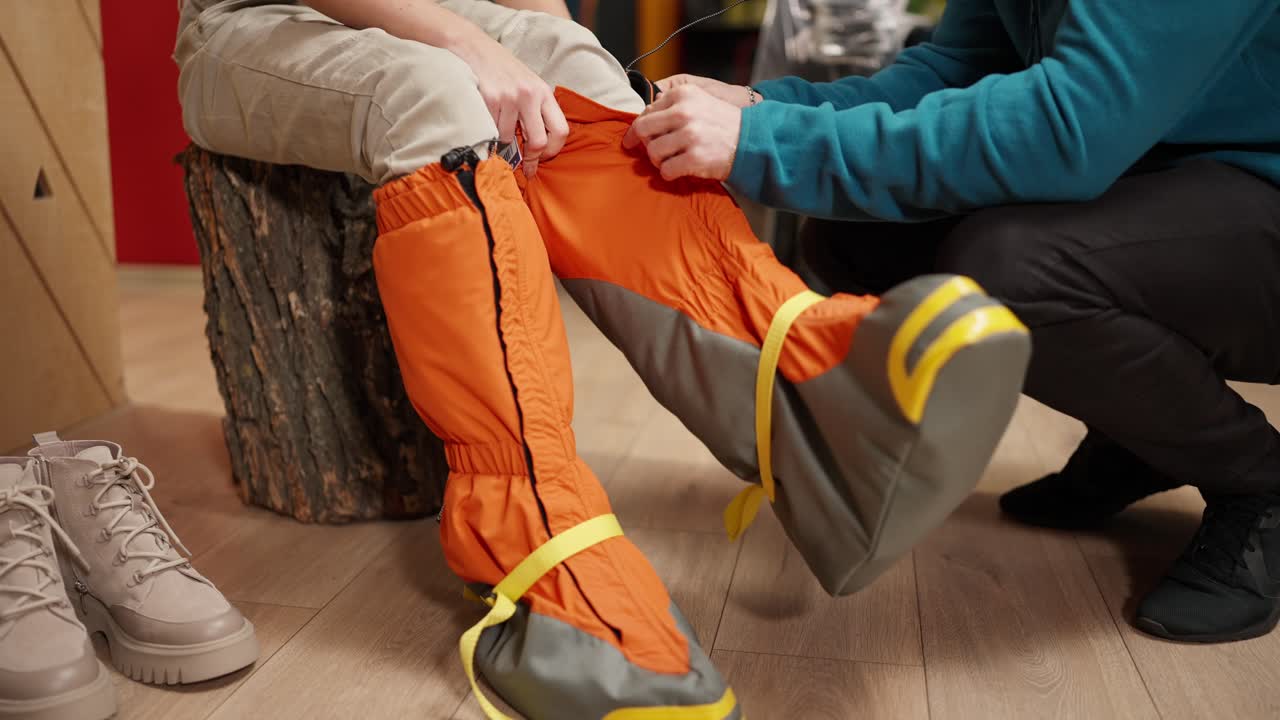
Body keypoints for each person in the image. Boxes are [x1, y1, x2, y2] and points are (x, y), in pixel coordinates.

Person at [170, 1, 1030, 718]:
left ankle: (803, 399)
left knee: (581, 66)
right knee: (428, 92)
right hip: (252, 20)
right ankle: (529, 533)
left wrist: (556, 57)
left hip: (423, 9)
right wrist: (465, 42)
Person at [624, 0, 1280, 643]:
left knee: (1011, 272)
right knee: (862, 239)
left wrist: (769, 143)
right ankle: (1146, 434)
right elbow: (953, 69)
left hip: (1258, 198)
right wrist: (765, 107)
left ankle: (1258, 481)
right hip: (1168, 175)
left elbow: (1069, 126)